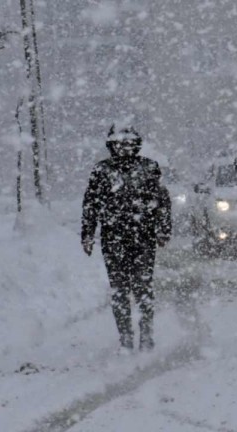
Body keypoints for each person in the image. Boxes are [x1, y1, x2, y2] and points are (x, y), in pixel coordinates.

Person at [81, 125, 171, 351]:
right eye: (119, 144)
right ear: (111, 146)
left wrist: (163, 229)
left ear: (136, 145)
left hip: (143, 237)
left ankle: (146, 333)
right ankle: (125, 336)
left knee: (143, 287)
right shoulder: (101, 170)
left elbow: (162, 200)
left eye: (129, 144)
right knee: (119, 290)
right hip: (113, 239)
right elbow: (91, 204)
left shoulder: (149, 167)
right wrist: (88, 234)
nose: (124, 148)